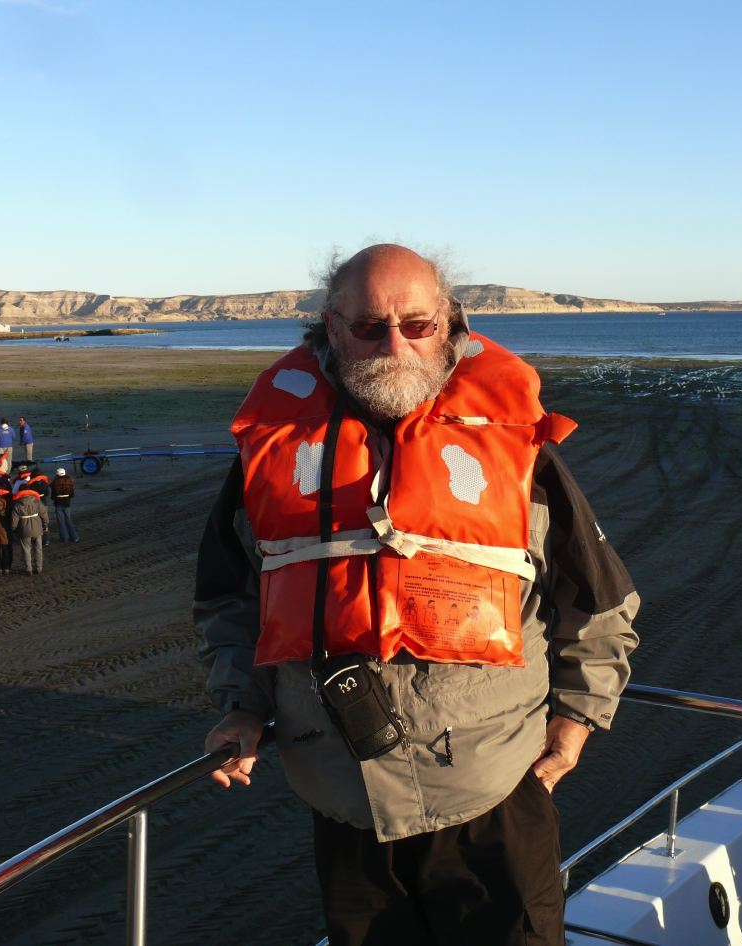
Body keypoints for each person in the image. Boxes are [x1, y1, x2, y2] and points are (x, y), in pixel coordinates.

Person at [196, 244, 640, 945]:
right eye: (370, 327)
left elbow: (598, 597)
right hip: (345, 803)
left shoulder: (517, 449)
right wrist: (241, 706)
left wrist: (580, 718)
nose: (395, 345)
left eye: (416, 325)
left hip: (494, 793)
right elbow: (232, 602)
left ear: (448, 321)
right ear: (332, 327)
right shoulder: (271, 452)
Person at [10, 483, 48, 575]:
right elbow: (44, 515)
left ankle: (28, 569)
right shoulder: (37, 502)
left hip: (24, 530)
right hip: (37, 528)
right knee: (38, 549)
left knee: (26, 549)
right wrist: (45, 525)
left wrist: (13, 529)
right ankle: (39, 568)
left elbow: (14, 520)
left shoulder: (17, 504)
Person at [50, 467, 79, 542]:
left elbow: (52, 496)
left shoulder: (54, 482)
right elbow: (72, 494)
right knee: (68, 519)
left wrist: (57, 498)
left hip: (58, 503)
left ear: (57, 474)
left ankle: (65, 538)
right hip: (67, 503)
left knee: (61, 521)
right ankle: (75, 537)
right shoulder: (69, 480)